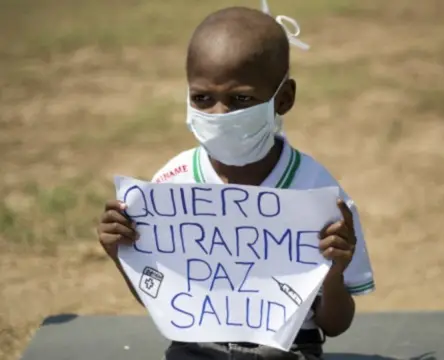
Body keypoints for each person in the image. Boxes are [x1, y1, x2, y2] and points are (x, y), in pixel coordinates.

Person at [96, 2, 375, 360]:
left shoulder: (319, 194)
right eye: (202, 98)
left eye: (240, 99)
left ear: (284, 99)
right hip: (196, 349)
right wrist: (122, 255)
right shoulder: (170, 186)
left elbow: (335, 324)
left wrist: (335, 272)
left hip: (288, 352)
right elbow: (165, 302)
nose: (219, 114)